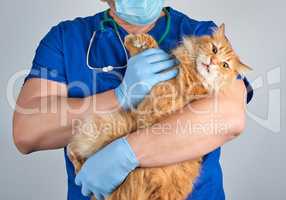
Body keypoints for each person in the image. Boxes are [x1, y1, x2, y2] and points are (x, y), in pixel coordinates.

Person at [13, 0, 253, 200]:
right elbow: (27, 131)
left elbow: (229, 116)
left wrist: (127, 154)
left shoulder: (200, 34)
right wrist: (120, 97)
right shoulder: (66, 39)